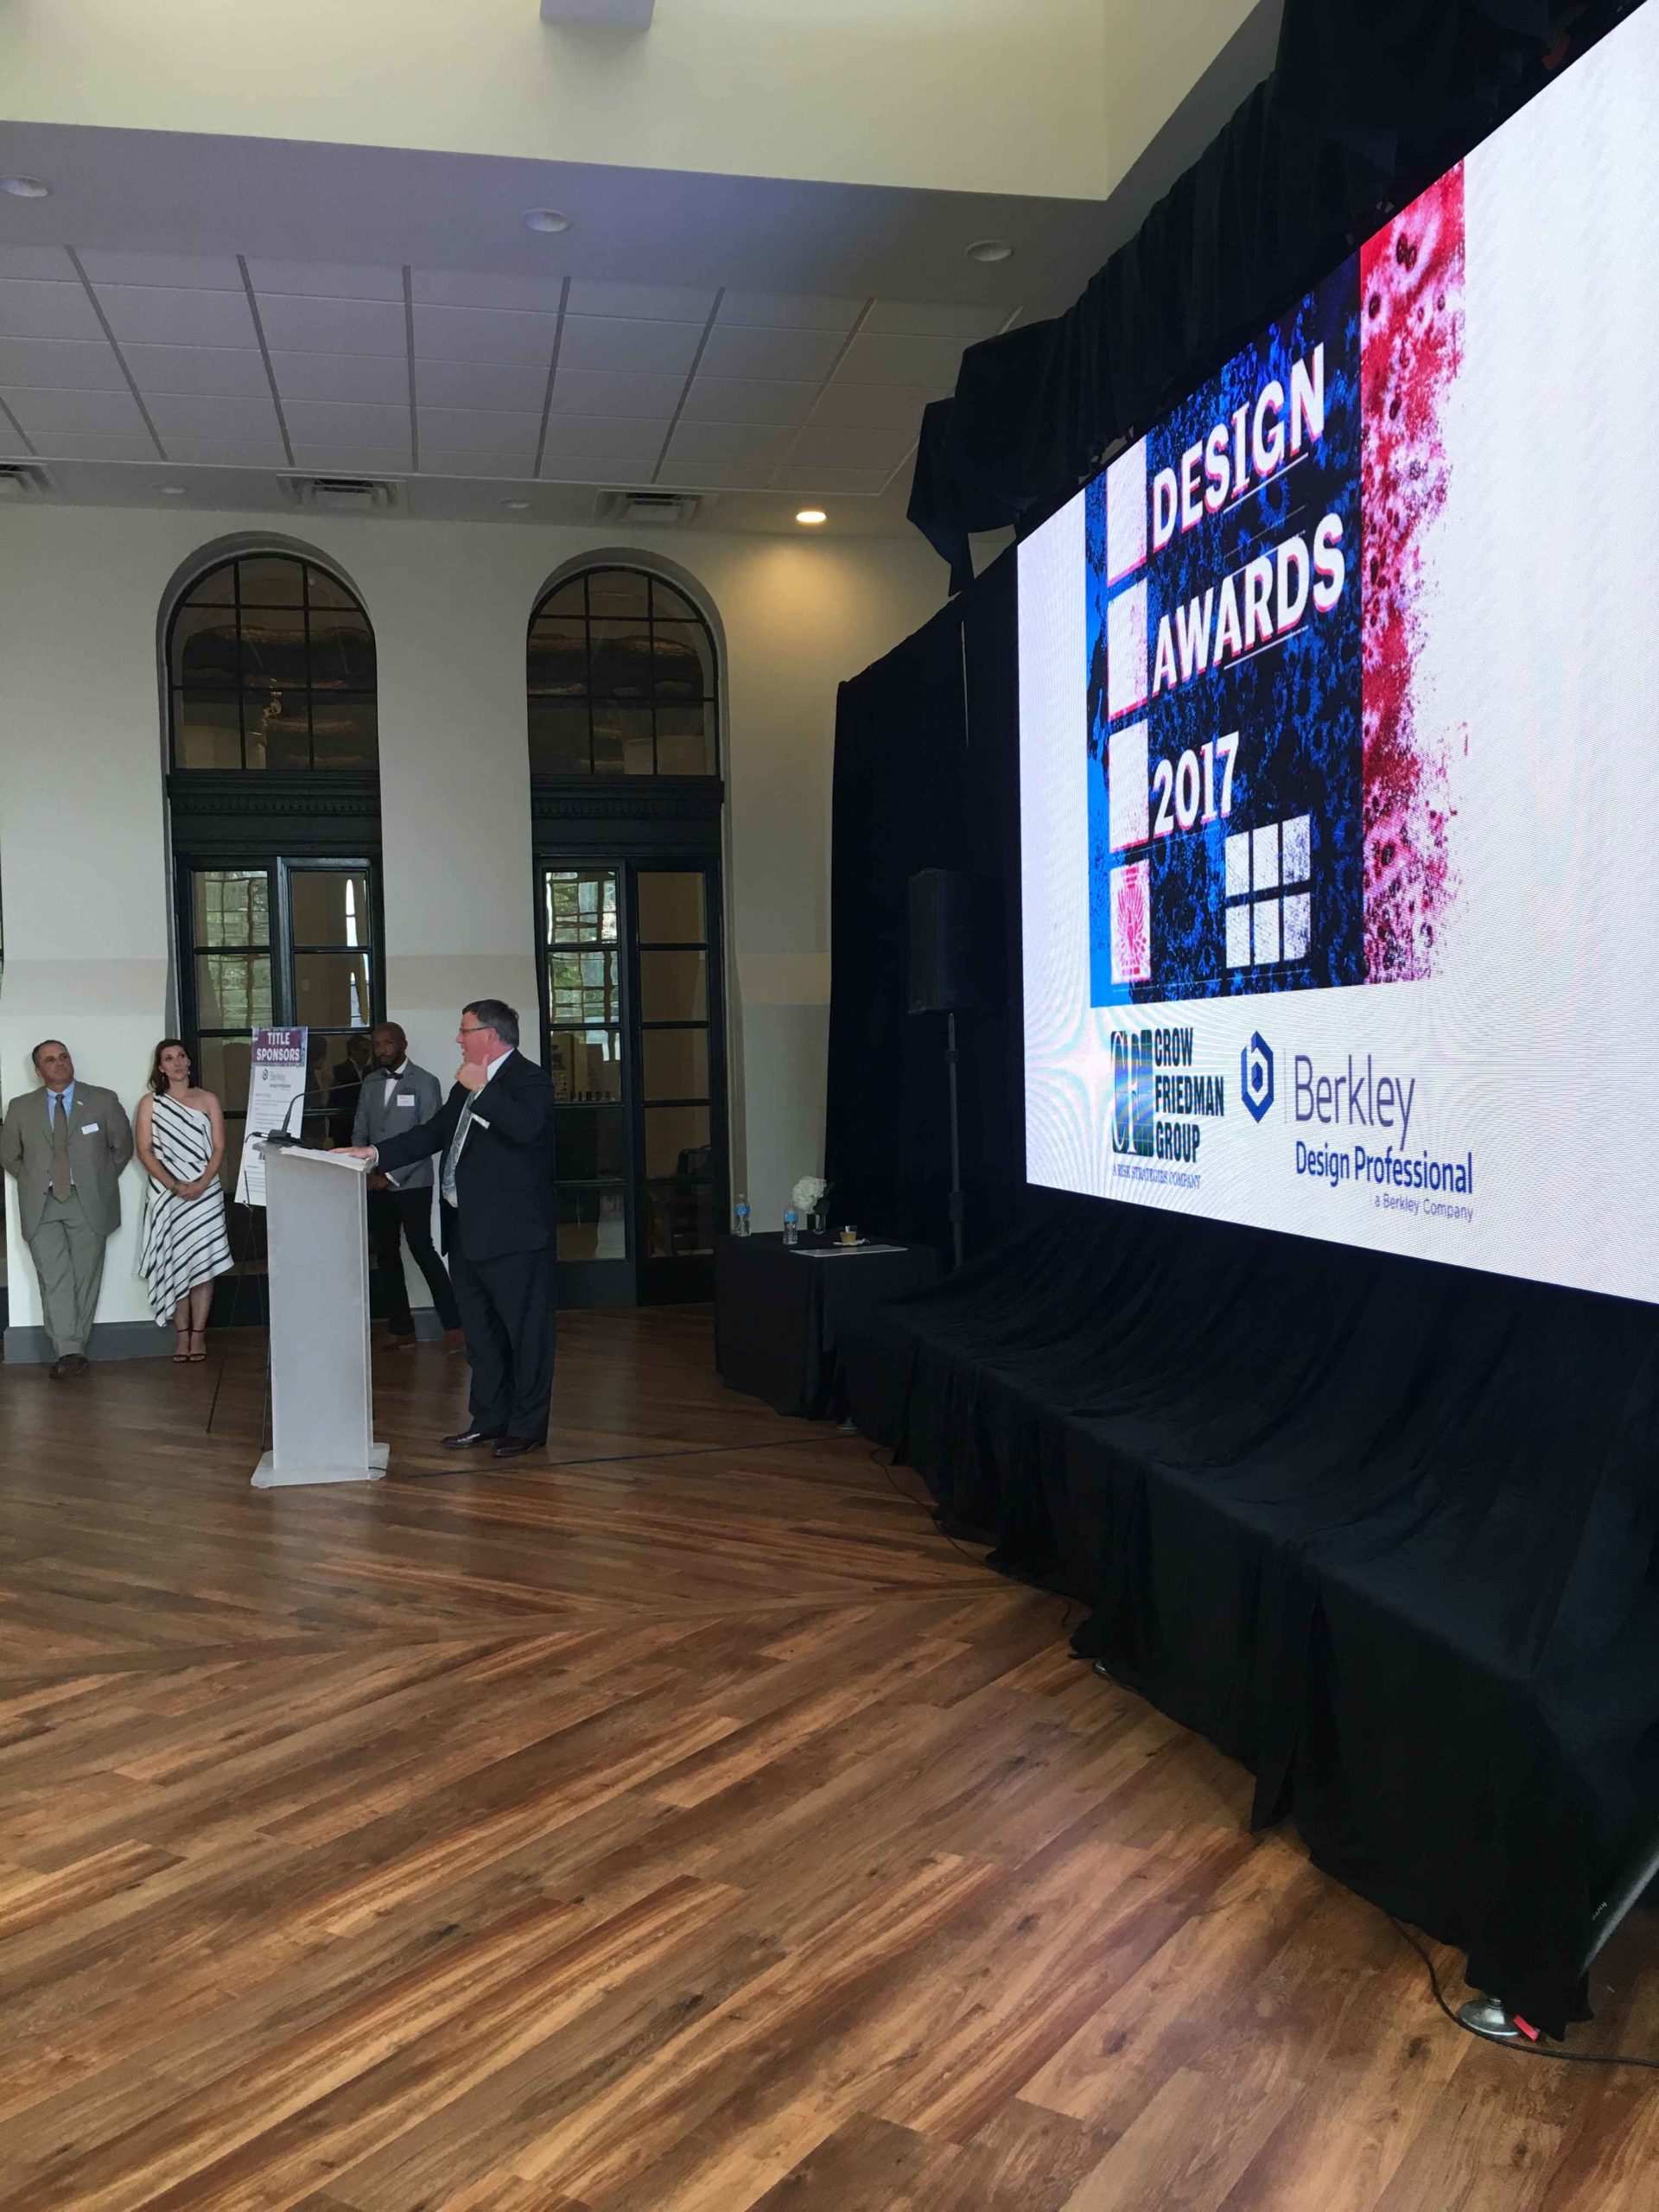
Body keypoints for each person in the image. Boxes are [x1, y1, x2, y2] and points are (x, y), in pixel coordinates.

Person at [337, 998, 556, 1459]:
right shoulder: (466, 1084)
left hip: (513, 1238)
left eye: (464, 1030)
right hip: (465, 1231)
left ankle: (528, 1427)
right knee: (482, 1336)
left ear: (490, 1036)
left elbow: (529, 1130)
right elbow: (433, 1134)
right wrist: (375, 1154)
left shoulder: (529, 1079)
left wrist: (484, 1090)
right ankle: (489, 1420)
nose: (458, 1039)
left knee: (525, 1336)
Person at [0, 1039, 134, 1378]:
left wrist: (97, 1179)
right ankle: (69, 1351)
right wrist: (34, 1180)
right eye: (49, 1060)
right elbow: (9, 1155)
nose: (58, 1063)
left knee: (86, 1277)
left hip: (88, 1202)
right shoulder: (20, 1107)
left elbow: (122, 1147)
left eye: (63, 1056)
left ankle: (72, 1349)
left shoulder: (102, 1100)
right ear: (38, 1070)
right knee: (54, 1278)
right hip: (42, 1203)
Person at [352, 1020, 463, 1349]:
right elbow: (360, 1129)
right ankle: (401, 1328)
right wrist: (365, 1171)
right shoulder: (370, 1082)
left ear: (403, 1043)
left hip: (413, 1182)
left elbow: (430, 1137)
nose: (382, 1050)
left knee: (421, 1248)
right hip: (373, 1182)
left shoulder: (425, 1082)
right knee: (386, 1254)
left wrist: (390, 1176)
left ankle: (454, 1325)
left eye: (388, 1043)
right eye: (376, 1045)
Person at [134, 1039, 234, 1363]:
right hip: (167, 1193)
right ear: (160, 1067)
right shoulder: (150, 1102)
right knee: (175, 1261)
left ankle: (199, 1334)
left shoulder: (208, 1099)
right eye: (168, 1058)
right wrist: (174, 1185)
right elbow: (144, 1150)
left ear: (189, 1062)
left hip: (205, 1192)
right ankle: (181, 1336)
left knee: (203, 1263)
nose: (176, 1062)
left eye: (181, 1056)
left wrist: (201, 1184)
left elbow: (219, 1147)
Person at [328, 1031, 372, 1147]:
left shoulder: (371, 1071)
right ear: (353, 1051)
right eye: (365, 1052)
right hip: (344, 1124)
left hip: (365, 1124)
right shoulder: (339, 1070)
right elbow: (335, 1098)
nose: (368, 1056)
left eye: (369, 1052)